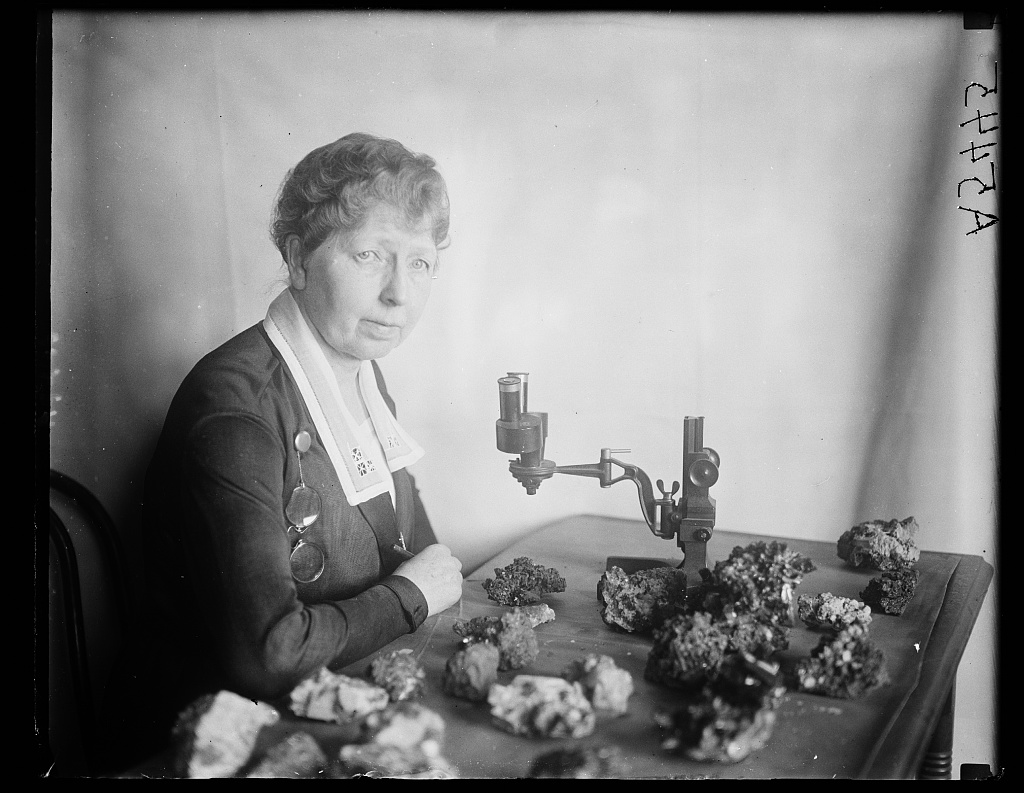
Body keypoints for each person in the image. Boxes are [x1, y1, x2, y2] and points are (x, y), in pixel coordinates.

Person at [99, 133, 464, 773]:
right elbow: (269, 655)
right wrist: (409, 596)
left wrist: (420, 588)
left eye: (421, 263)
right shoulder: (236, 410)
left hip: (330, 700)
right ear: (298, 259)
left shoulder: (357, 370)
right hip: (213, 745)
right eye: (371, 256)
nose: (399, 295)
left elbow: (419, 556)